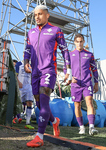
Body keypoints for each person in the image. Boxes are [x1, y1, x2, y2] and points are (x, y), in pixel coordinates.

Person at [24, 5, 72, 147]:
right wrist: (26, 62)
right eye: (35, 15)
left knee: (44, 100)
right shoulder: (31, 32)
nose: (37, 17)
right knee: (39, 104)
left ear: (47, 15)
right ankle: (55, 121)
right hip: (34, 72)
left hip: (48, 70)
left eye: (40, 14)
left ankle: (39, 136)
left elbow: (64, 50)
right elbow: (27, 49)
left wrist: (68, 70)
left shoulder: (56, 30)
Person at [70, 33, 98, 136]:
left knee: (89, 102)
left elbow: (94, 69)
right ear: (74, 42)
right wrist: (70, 78)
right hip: (75, 84)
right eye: (77, 42)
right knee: (77, 105)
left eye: (81, 41)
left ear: (84, 42)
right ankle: (81, 127)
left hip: (87, 83)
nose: (79, 43)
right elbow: (66, 68)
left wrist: (96, 83)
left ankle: (91, 127)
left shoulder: (89, 55)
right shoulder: (70, 54)